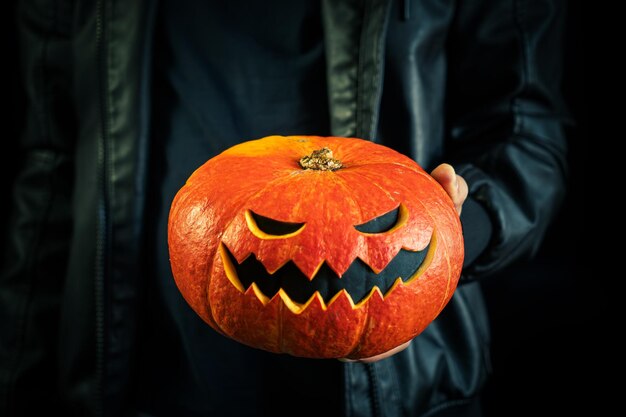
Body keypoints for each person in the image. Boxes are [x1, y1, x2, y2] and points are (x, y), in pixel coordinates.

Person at [0, 0, 568, 416]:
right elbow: (51, 164)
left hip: (394, 391)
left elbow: (525, 133)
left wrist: (450, 240)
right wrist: (22, 386)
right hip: (137, 383)